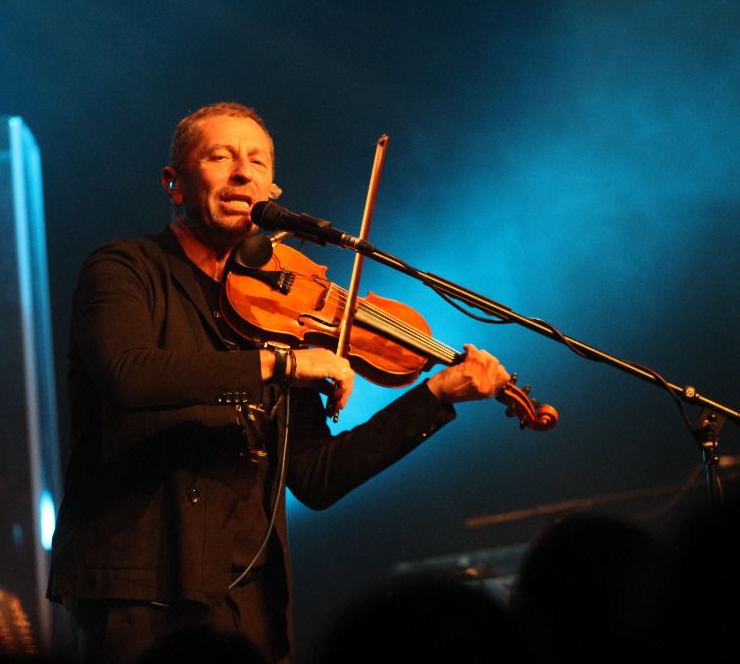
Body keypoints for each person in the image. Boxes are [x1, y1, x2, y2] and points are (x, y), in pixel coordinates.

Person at [47, 102, 510, 664]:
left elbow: (317, 476)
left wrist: (435, 396)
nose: (243, 173)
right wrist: (279, 365)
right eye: (221, 157)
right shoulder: (124, 268)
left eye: (257, 162)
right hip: (138, 586)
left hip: (248, 594)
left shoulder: (283, 308)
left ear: (273, 190)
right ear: (175, 183)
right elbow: (128, 376)